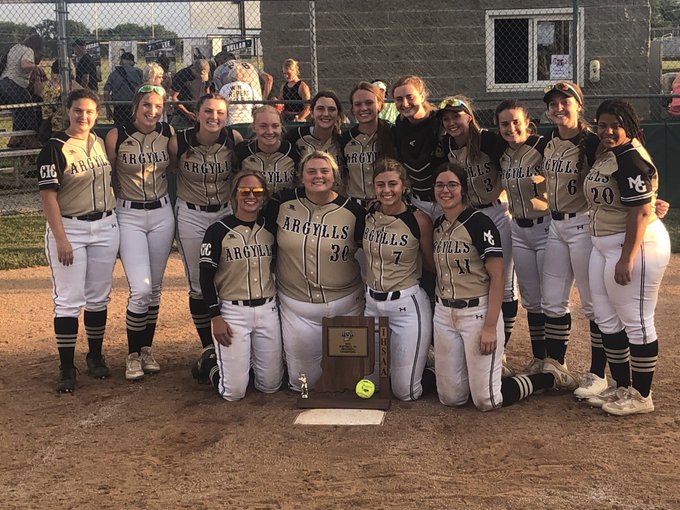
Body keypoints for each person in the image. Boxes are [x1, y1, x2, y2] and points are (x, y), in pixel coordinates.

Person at [431, 162, 577, 411]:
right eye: (440, 185)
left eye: (452, 185)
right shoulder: (438, 226)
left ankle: (548, 378)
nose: (446, 190)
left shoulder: (480, 223)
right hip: (444, 314)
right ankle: (475, 372)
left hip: (476, 314)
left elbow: (498, 278)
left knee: (487, 400)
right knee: (451, 398)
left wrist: (489, 326)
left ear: (463, 189)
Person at [583, 99, 670, 415]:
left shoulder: (631, 157)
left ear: (629, 126)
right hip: (604, 245)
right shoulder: (610, 154)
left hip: (636, 245)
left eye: (615, 125)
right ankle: (620, 386)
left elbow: (640, 211)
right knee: (606, 319)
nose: (607, 131)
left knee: (637, 322)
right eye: (602, 125)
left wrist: (627, 258)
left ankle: (642, 395)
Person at [37, 88, 119, 393]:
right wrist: (61, 239)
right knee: (69, 300)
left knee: (99, 296)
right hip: (71, 228)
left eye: (89, 111)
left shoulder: (98, 142)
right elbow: (48, 197)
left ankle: (95, 356)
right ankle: (66, 366)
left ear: (97, 114)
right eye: (77, 111)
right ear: (67, 112)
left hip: (105, 225)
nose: (83, 117)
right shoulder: (55, 147)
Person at [266, 150, 365, 390]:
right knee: (303, 385)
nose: (318, 176)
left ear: (335, 176)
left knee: (351, 384)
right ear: (301, 176)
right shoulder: (281, 203)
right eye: (311, 171)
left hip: (346, 305)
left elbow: (367, 256)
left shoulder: (353, 211)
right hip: (297, 307)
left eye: (324, 171)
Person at [437, 95, 519, 372]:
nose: (451, 123)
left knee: (504, 284)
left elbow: (521, 154)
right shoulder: (447, 146)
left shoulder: (488, 141)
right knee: (474, 279)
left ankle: (502, 347)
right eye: (446, 119)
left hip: (494, 212)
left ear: (469, 117)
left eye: (456, 116)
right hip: (467, 217)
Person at [538, 82, 607, 398]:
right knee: (551, 301)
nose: (558, 108)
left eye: (565, 102)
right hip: (555, 226)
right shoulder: (549, 140)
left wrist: (651, 201)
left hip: (582, 227)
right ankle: (557, 367)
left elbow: (620, 172)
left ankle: (598, 373)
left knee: (593, 305)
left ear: (579, 105)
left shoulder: (593, 142)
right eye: (553, 103)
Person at [169, 93, 243, 379]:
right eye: (208, 111)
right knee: (199, 281)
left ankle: (229, 337)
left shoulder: (232, 139)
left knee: (227, 277)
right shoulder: (181, 141)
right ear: (197, 114)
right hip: (191, 212)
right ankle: (206, 347)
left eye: (220, 112)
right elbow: (169, 168)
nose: (214, 117)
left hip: (224, 211)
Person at [104, 84, 175, 381]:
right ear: (136, 106)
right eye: (147, 104)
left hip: (162, 212)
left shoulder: (168, 134)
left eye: (157, 106)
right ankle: (132, 355)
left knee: (155, 289)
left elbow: (176, 169)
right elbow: (107, 173)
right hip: (129, 213)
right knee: (141, 289)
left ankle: (146, 349)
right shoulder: (116, 134)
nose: (152, 111)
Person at [198, 169, 283, 400]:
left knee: (271, 385)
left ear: (264, 196)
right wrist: (215, 317)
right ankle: (210, 365)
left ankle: (244, 364)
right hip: (233, 312)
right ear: (235, 194)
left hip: (267, 309)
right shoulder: (217, 231)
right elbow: (205, 277)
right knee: (233, 393)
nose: (251, 196)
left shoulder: (271, 230)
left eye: (257, 191)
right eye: (245, 191)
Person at [495, 100, 557, 378]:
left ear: (527, 121)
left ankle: (556, 362)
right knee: (531, 298)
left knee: (551, 298)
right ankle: (539, 357)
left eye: (515, 121)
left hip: (545, 226)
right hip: (517, 228)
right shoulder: (504, 155)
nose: (511, 128)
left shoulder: (543, 145)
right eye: (504, 123)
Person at [363, 158, 434, 400]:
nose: (386, 190)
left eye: (392, 184)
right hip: (372, 304)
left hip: (407, 303)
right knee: (368, 384)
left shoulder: (418, 219)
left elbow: (430, 263)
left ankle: (434, 369)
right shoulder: (369, 213)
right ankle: (416, 358)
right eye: (380, 185)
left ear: (404, 186)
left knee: (405, 392)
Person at [392, 75, 442, 220]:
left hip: (444, 200)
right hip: (417, 201)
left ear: (421, 96)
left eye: (410, 97)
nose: (405, 103)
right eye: (399, 99)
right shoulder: (400, 125)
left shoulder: (438, 121)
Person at [340, 81, 396, 207]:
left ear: (380, 105)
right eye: (358, 104)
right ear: (353, 109)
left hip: (388, 204)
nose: (363, 108)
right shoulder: (345, 139)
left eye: (369, 103)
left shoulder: (393, 133)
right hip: (354, 205)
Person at [235, 105, 299, 193]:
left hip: (284, 205)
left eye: (275, 126)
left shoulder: (292, 151)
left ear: (281, 127)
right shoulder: (243, 151)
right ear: (254, 127)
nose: (269, 131)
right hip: (252, 203)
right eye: (263, 126)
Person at [0, 34, 44, 142]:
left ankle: (16, 140)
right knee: (29, 108)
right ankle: (31, 138)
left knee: (19, 111)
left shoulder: (15, 47)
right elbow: (24, 64)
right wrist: (36, 68)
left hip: (3, 81)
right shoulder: (29, 50)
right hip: (15, 83)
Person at [285, 90, 343, 167]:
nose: (326, 114)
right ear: (312, 112)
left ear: (338, 114)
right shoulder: (295, 137)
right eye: (320, 109)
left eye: (331, 109)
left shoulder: (342, 141)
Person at [40, 59, 81, 139]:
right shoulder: (69, 84)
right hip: (63, 122)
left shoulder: (47, 85)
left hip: (48, 122)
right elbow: (84, 93)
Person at [104, 52, 143, 127]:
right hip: (134, 105)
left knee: (119, 129)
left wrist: (108, 109)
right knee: (134, 128)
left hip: (119, 106)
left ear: (121, 61)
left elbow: (106, 92)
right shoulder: (139, 72)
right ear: (132, 62)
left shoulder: (114, 74)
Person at [170, 59, 210, 130]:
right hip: (182, 114)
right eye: (200, 76)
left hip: (199, 112)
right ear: (193, 69)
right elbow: (174, 97)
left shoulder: (208, 73)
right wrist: (186, 113)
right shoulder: (181, 75)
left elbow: (207, 92)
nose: (201, 79)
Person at [279, 58, 311, 123]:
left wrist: (298, 119)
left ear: (295, 71)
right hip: (285, 117)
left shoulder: (302, 86)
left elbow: (308, 108)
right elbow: (280, 103)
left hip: (298, 117)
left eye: (288, 73)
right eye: (284, 73)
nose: (286, 76)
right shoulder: (284, 86)